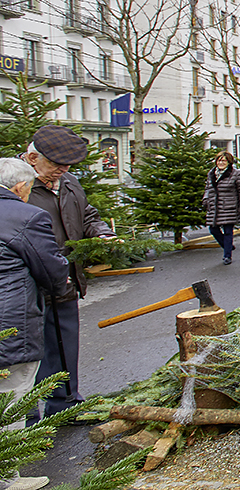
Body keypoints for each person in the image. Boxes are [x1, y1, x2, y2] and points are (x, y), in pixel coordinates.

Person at [22, 125, 116, 421]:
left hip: (65, 281)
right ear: (32, 157)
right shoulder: (13, 185)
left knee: (65, 345)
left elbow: (87, 214)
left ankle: (65, 405)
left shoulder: (69, 182)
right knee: (29, 354)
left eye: (66, 167)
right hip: (29, 286)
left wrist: (102, 233)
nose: (61, 171)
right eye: (54, 165)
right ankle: (26, 419)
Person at [0, 158, 69, 490]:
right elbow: (51, 268)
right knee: (11, 394)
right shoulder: (26, 216)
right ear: (20, 187)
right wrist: (61, 287)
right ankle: (6, 477)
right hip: (11, 319)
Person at [203, 151, 240, 265]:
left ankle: (227, 255)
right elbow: (208, 188)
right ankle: (227, 246)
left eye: (223, 160)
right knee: (213, 229)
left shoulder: (236, 174)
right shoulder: (212, 173)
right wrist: (206, 199)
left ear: (229, 162)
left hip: (229, 206)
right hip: (214, 206)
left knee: (228, 231)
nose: (221, 163)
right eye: (219, 160)